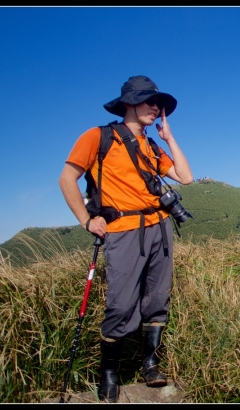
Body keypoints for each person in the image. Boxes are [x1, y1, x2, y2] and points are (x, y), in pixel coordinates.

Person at [58, 75, 193, 402]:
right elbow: (67, 178)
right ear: (129, 103)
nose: (155, 107)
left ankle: (149, 364)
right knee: (120, 305)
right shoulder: (98, 137)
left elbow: (185, 177)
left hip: (160, 229)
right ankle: (110, 372)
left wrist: (169, 137)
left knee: (157, 300)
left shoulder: (152, 146)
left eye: (158, 103)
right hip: (123, 231)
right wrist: (86, 221)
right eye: (149, 101)